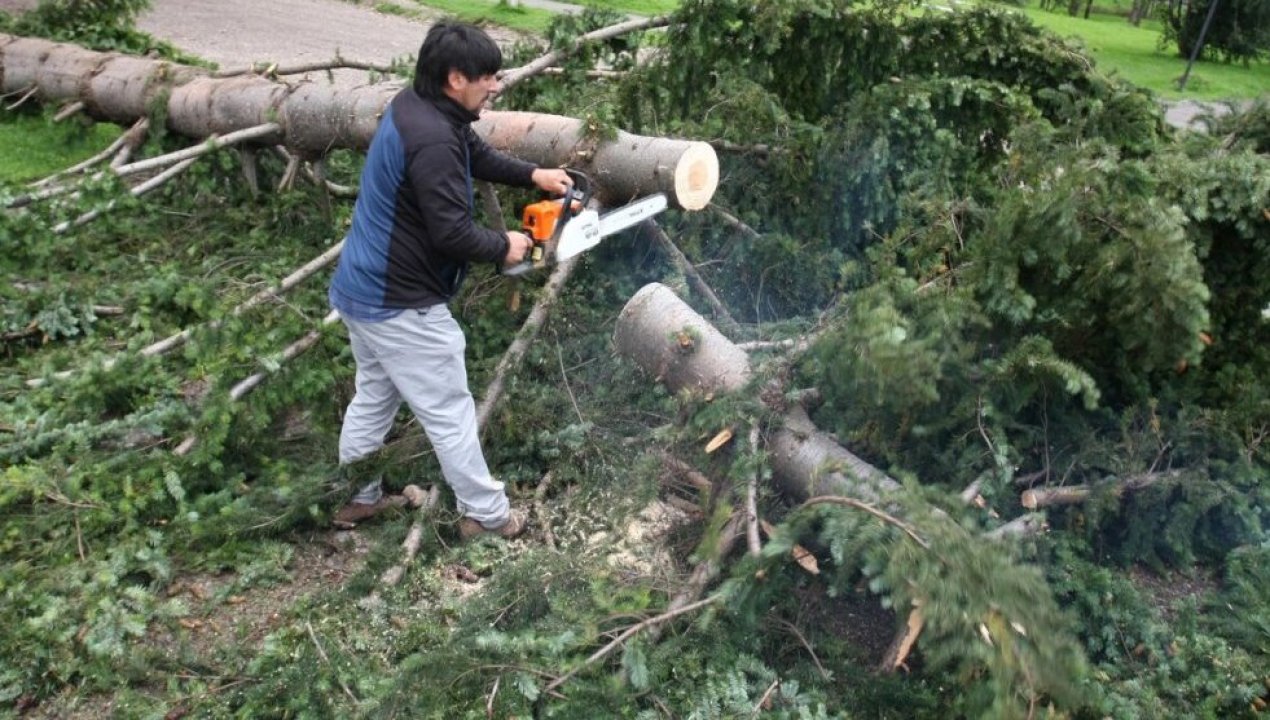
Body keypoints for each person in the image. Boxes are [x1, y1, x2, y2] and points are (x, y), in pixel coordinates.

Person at [327, 22, 571, 538]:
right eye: (487, 77)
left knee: (374, 395)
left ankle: (355, 498)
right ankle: (487, 514)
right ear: (456, 78)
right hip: (398, 302)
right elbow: (452, 234)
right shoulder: (433, 138)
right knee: (450, 410)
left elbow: (472, 151)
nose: (496, 85)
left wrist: (534, 175)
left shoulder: (417, 108)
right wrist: (504, 245)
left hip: (361, 288)